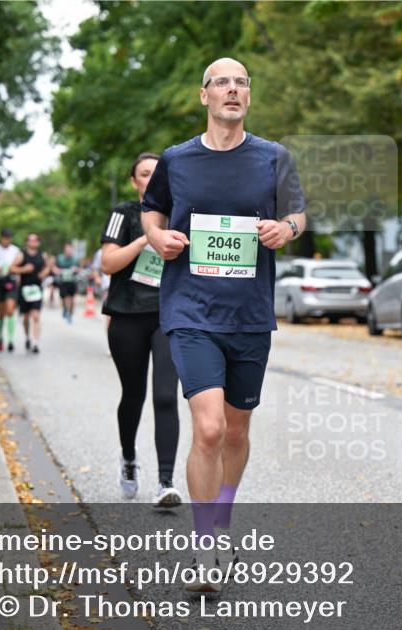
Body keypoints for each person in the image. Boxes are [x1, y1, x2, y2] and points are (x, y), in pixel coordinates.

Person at [143, 57, 306, 594]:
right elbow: (153, 210)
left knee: (236, 428)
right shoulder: (175, 160)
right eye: (221, 83)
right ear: (204, 95)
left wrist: (285, 229)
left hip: (250, 314)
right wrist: (156, 238)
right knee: (208, 426)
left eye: (241, 83)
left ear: (248, 97)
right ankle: (205, 540)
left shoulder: (274, 158)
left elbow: (298, 215)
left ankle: (224, 517)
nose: (232, 90)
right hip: (191, 309)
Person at [101, 153, 184, 509]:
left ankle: (166, 481)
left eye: (157, 173)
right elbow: (107, 263)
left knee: (166, 395)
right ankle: (129, 459)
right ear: (134, 181)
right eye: (144, 174)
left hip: (169, 316)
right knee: (132, 394)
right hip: (127, 315)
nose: (151, 179)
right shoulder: (123, 214)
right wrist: (144, 240)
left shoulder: (181, 213)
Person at [12, 233, 48, 353]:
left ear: (38, 242)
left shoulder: (42, 255)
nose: (33, 243)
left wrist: (44, 273)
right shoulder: (22, 255)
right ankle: (27, 337)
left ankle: (36, 342)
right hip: (24, 289)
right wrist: (23, 269)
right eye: (30, 240)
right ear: (27, 242)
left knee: (36, 316)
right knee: (26, 317)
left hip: (37, 289)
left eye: (35, 240)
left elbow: (47, 267)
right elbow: (11, 268)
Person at [55, 243, 80, 323]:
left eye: (70, 249)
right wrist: (58, 271)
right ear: (64, 250)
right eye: (67, 249)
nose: (68, 251)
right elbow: (54, 267)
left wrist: (76, 270)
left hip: (72, 281)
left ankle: (70, 314)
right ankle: (65, 309)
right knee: (64, 298)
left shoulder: (75, 259)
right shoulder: (60, 258)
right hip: (63, 281)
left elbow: (80, 269)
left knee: (71, 299)